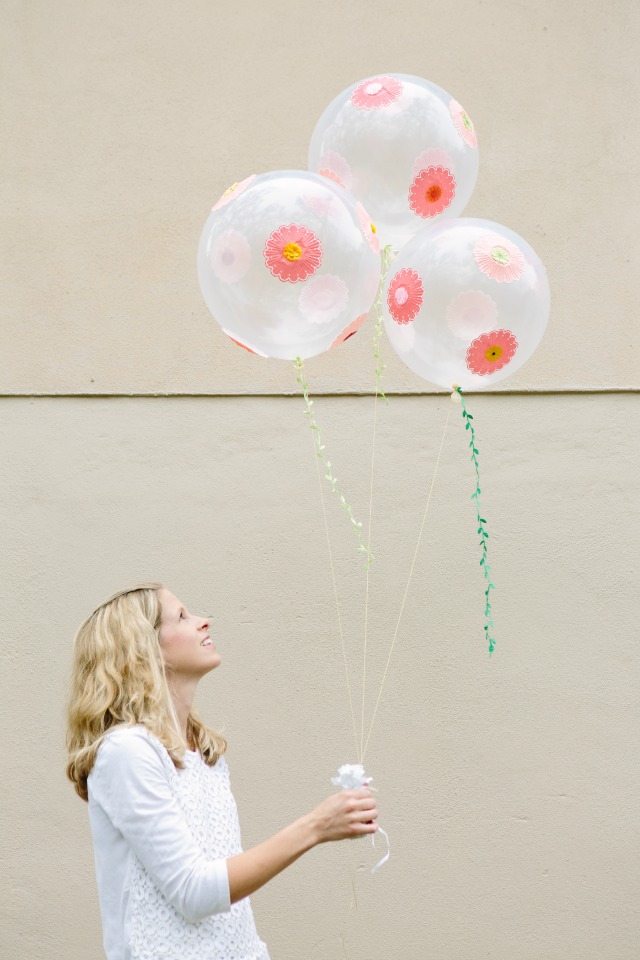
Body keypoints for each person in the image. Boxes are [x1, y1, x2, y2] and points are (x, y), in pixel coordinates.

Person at [66, 583, 378, 960]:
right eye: (182, 616)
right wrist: (316, 826)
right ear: (141, 650)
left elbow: (226, 911)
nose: (204, 621)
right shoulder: (127, 751)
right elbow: (193, 893)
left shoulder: (203, 751)